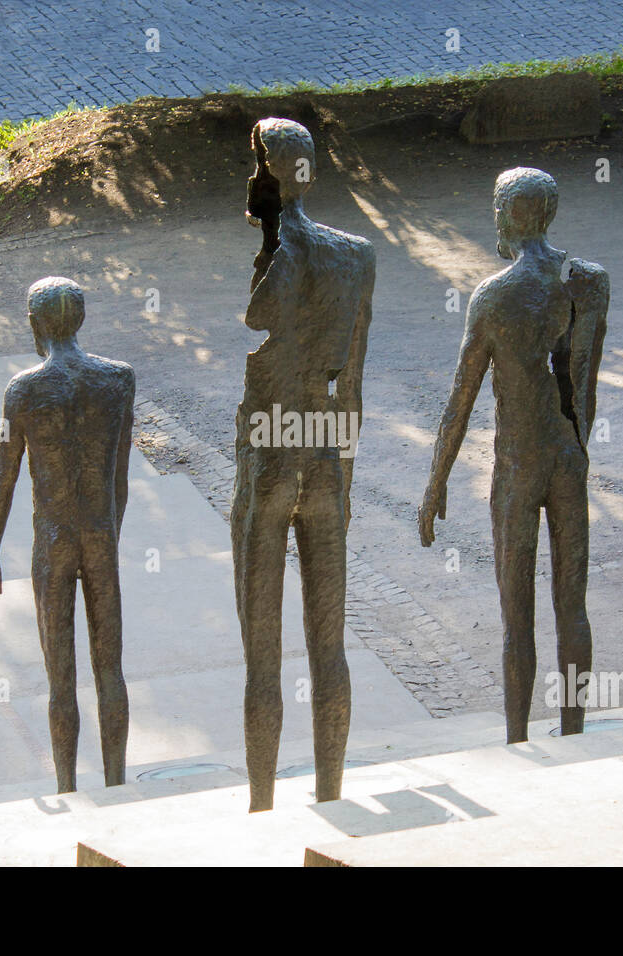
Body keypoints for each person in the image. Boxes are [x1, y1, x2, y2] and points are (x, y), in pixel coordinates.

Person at [420, 167, 608, 743]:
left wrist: (436, 484)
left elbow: (461, 399)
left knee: (515, 616)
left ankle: (517, 738)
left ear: (506, 216)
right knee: (571, 604)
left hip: (518, 468)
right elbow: (585, 384)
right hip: (568, 460)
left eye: (496, 209)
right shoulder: (591, 282)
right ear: (548, 215)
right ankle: (571, 729)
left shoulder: (494, 297)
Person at [234, 118, 376, 811]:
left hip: (270, 458)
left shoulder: (282, 252)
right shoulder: (356, 256)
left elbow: (262, 313)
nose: (249, 181)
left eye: (257, 168)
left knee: (264, 657)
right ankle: (330, 797)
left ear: (276, 174)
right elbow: (353, 386)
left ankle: (263, 805)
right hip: (324, 453)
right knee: (330, 645)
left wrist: (272, 235)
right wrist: (344, 481)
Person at [0, 276, 133, 792]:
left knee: (59, 678)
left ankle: (67, 787)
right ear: (80, 319)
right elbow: (119, 481)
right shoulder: (118, 381)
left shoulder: (23, 390)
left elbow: (4, 480)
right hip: (100, 536)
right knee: (110, 669)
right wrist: (109, 538)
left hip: (54, 542)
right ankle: (115, 783)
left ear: (34, 324)